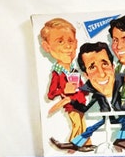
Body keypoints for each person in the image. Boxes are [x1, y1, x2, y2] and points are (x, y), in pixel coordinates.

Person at [50, 41, 125, 153]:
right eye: (92, 67)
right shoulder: (89, 89)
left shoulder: (123, 80)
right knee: (92, 127)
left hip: (118, 116)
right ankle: (74, 144)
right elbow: (84, 108)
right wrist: (70, 100)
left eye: (105, 64)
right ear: (86, 75)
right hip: (104, 117)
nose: (101, 74)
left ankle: (121, 139)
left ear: (113, 67)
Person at [39, 18, 91, 148]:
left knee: (83, 124)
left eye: (70, 41)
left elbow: (82, 89)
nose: (68, 46)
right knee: (77, 123)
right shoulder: (57, 73)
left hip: (80, 103)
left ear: (76, 44)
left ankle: (86, 144)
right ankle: (73, 144)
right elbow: (51, 94)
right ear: (47, 47)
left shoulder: (74, 70)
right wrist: (63, 91)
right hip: (70, 104)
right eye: (60, 41)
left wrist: (89, 87)